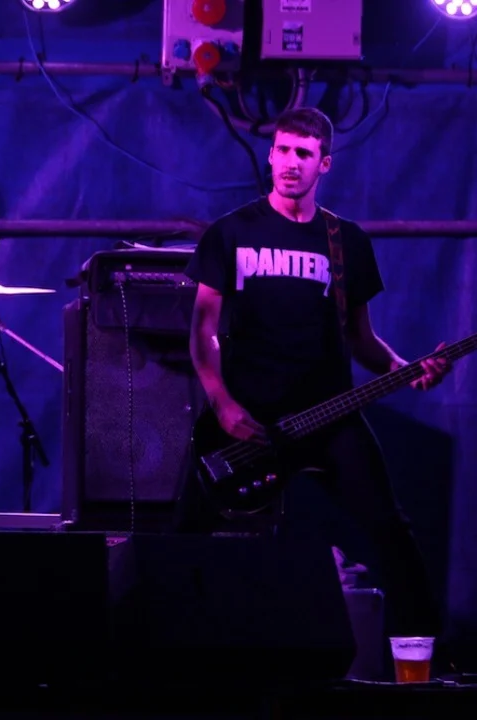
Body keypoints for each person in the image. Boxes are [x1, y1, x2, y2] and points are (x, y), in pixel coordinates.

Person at [177, 107, 451, 641]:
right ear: (270, 154)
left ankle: (428, 655)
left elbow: (361, 338)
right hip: (249, 417)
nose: (290, 162)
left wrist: (404, 370)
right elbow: (203, 328)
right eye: (282, 150)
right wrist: (222, 402)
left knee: (390, 528)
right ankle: (166, 650)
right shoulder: (231, 233)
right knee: (187, 530)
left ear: (324, 163)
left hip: (330, 414)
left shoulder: (346, 241)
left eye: (303, 153)